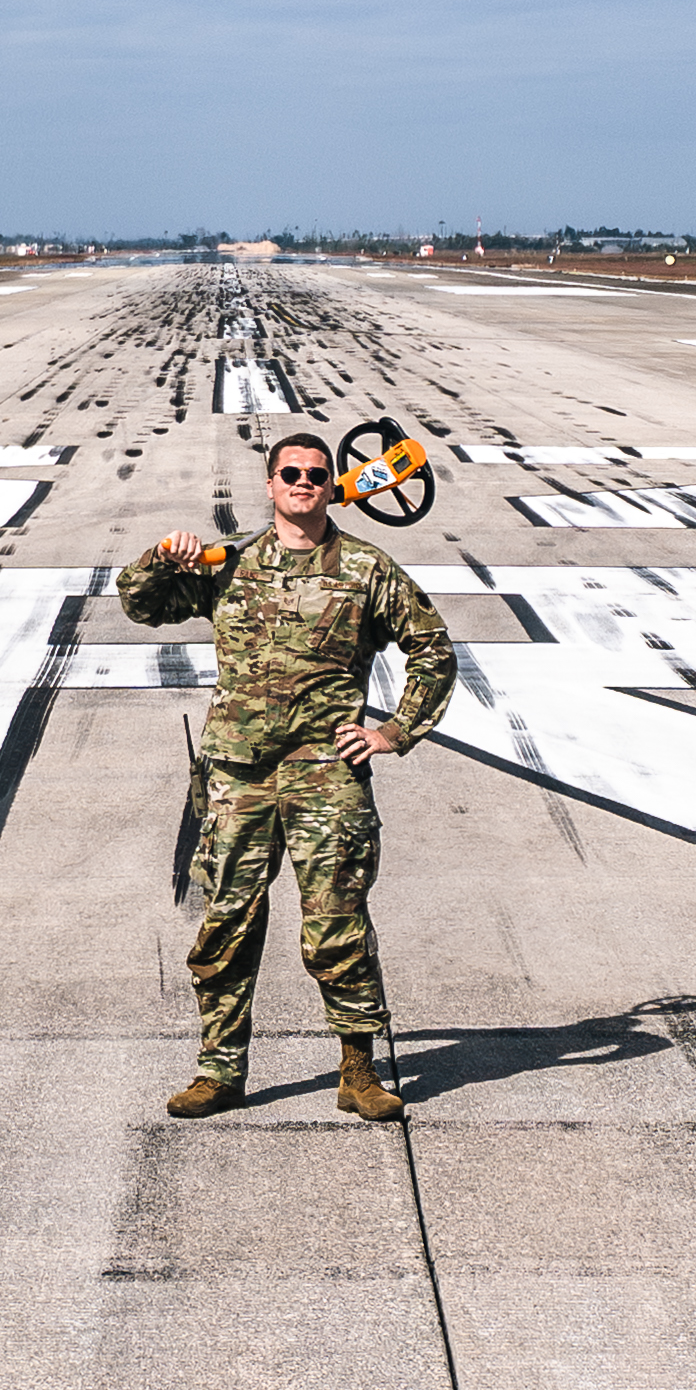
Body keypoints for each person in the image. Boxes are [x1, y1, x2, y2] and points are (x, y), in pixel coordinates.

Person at [117, 431, 454, 1121]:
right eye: (290, 473)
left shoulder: (366, 568)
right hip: (237, 777)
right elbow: (141, 604)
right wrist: (161, 556)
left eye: (316, 474)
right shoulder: (229, 563)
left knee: (337, 926)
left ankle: (358, 1071)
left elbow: (433, 648)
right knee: (228, 925)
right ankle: (219, 1071)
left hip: (325, 777)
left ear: (333, 485)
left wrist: (393, 731)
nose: (303, 482)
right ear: (270, 486)